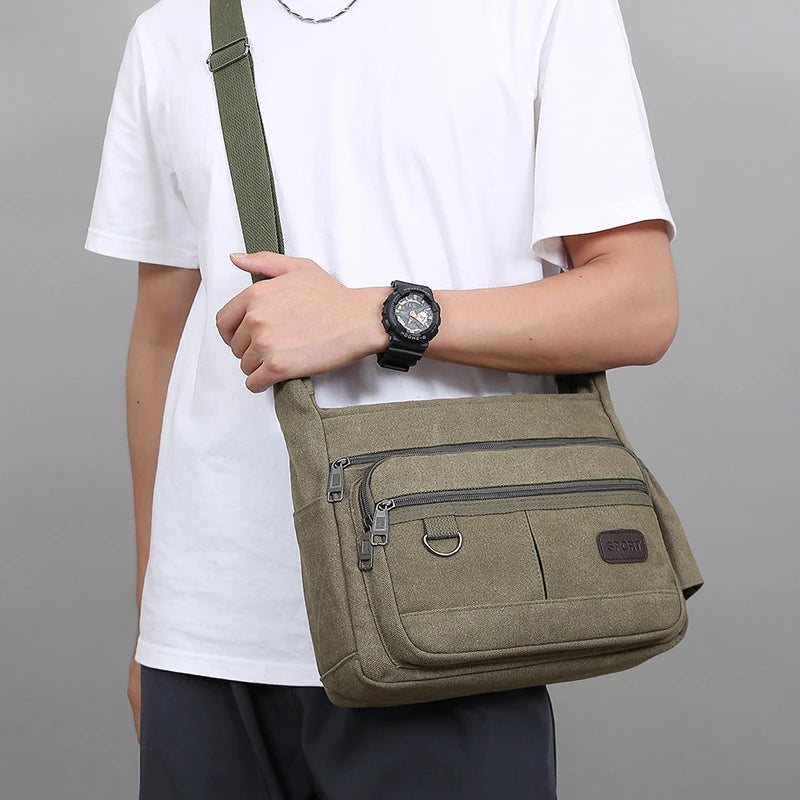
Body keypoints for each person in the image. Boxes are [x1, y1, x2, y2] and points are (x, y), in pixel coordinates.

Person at [85, 0, 679, 797]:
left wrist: (379, 315)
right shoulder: (173, 31)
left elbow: (640, 303)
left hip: (449, 609)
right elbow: (159, 340)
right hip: (202, 642)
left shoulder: (542, 10)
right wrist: (154, 622)